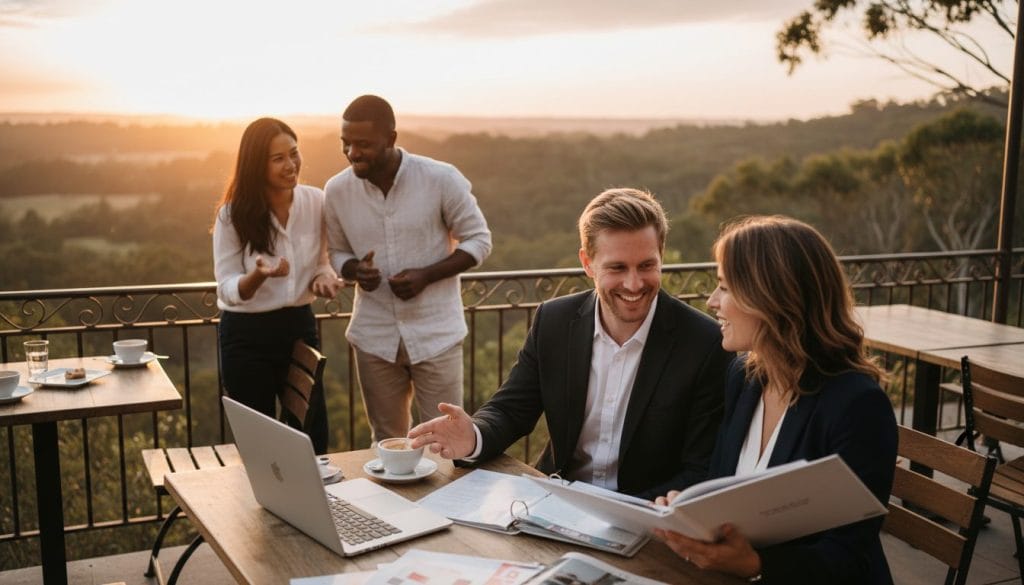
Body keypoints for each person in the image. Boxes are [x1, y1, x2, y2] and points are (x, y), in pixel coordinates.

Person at [409, 188, 732, 497]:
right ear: (587, 263)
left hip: (646, 520)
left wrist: (626, 515)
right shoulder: (554, 320)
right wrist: (474, 437)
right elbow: (512, 409)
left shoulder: (703, 344)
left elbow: (699, 470)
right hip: (556, 502)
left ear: (661, 256)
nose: (634, 284)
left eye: (647, 266)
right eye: (617, 267)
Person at [654, 215, 898, 584]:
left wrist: (756, 566)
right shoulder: (743, 377)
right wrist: (687, 512)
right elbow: (722, 482)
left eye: (725, 287)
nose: (712, 301)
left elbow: (851, 556)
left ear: (770, 298)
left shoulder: (857, 406)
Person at [324, 95, 492, 443]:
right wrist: (355, 270)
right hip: (374, 337)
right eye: (346, 144)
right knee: (387, 442)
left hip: (437, 336)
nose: (353, 152)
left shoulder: (441, 178)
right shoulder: (337, 190)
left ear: (392, 139)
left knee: (445, 442)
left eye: (363, 144)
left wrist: (425, 275)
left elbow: (479, 241)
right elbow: (335, 252)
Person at [213, 117, 341, 454]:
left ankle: (312, 506)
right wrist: (257, 276)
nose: (291, 164)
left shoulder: (316, 202)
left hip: (299, 327)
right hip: (246, 336)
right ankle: (267, 507)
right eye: (278, 158)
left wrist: (324, 279)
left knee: (313, 436)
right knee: (261, 445)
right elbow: (226, 288)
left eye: (294, 153)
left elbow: (322, 262)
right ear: (258, 164)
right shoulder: (232, 215)